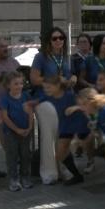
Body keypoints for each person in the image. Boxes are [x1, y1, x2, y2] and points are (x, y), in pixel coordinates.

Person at [31, 27, 76, 185]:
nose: (58, 41)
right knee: (49, 136)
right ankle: (49, 172)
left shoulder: (65, 56)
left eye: (61, 38)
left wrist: (73, 78)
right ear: (49, 41)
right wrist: (55, 80)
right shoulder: (41, 57)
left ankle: (63, 168)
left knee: (63, 135)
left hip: (63, 98)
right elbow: (34, 79)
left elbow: (68, 75)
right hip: (45, 99)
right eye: (54, 38)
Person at [37, 75, 86, 186]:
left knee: (84, 147)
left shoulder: (70, 96)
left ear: (58, 86)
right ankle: (77, 175)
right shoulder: (48, 96)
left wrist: (75, 108)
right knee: (60, 153)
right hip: (65, 127)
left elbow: (84, 106)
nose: (46, 90)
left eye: (48, 87)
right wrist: (29, 104)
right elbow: (37, 101)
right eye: (44, 88)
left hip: (77, 125)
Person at [0, 72, 35, 191]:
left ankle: (25, 177)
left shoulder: (26, 96)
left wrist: (30, 127)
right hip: (10, 133)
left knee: (25, 155)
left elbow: (30, 113)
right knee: (12, 155)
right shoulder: (5, 99)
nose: (19, 86)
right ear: (8, 85)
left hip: (25, 131)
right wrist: (16, 129)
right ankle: (13, 179)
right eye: (16, 84)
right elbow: (5, 117)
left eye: (21, 83)